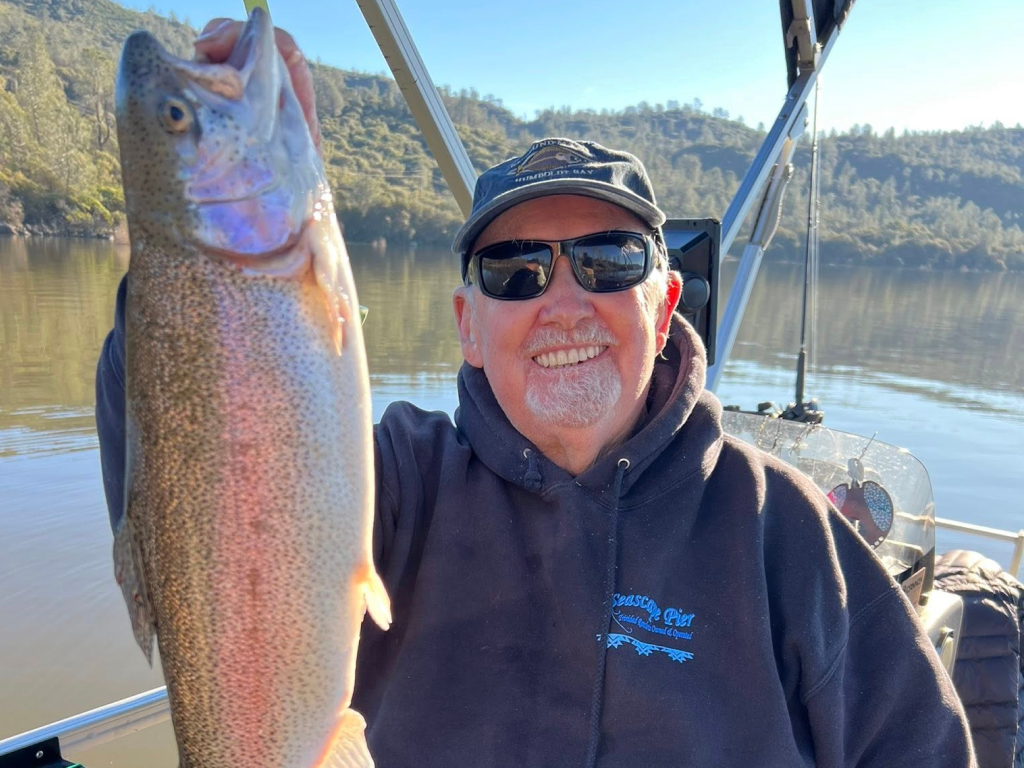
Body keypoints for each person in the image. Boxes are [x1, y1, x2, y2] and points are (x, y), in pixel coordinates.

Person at [95, 19, 976, 768]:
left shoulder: (786, 533)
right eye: (514, 272)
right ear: (466, 324)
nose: (561, 303)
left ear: (665, 305)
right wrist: (202, 270)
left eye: (606, 262)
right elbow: (194, 465)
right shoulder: (391, 486)